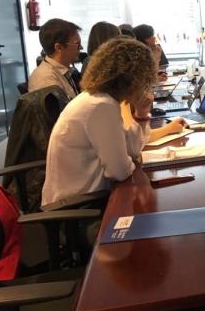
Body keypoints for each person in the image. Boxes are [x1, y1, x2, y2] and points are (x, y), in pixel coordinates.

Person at [42, 38, 155, 206]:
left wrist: (141, 113)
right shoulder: (100, 106)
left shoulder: (98, 99)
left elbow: (132, 150)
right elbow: (119, 172)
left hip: (85, 197)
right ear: (133, 79)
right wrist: (127, 160)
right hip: (79, 206)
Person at [85, 22, 186, 141]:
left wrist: (142, 115)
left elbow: (133, 141)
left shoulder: (108, 94)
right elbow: (130, 141)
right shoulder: (108, 101)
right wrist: (168, 129)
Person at [28, 18, 82, 100]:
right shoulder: (46, 79)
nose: (81, 48)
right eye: (77, 44)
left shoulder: (64, 71)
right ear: (59, 47)